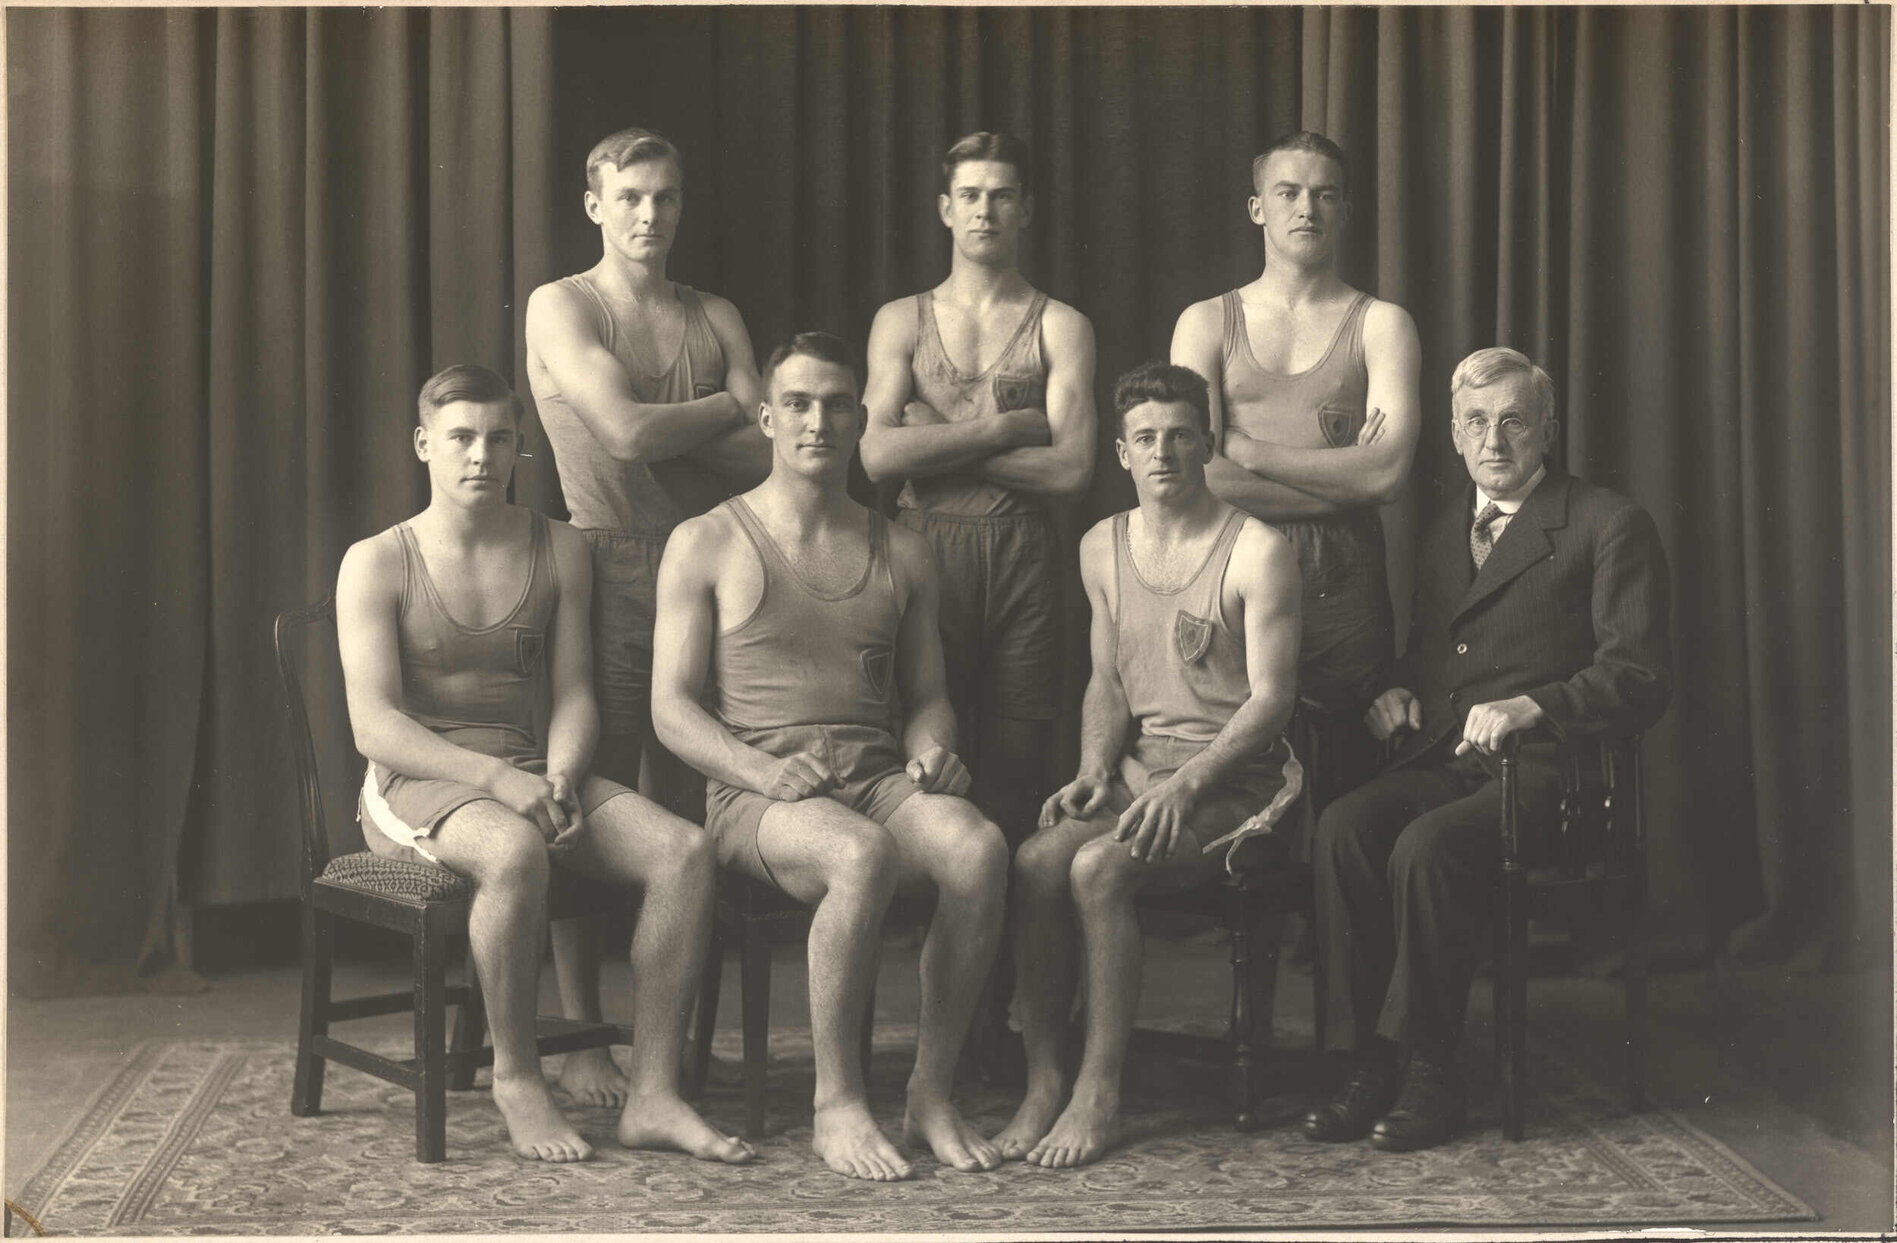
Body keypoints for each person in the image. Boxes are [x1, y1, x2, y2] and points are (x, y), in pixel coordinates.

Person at [335, 364, 752, 1166]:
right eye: (460, 437)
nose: (480, 455)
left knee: (683, 851)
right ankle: (518, 1077)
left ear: (518, 446)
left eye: (498, 438)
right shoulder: (376, 560)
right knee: (514, 849)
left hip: (528, 768)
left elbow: (573, 692)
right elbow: (374, 726)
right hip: (413, 784)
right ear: (423, 444)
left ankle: (654, 1090)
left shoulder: (558, 545)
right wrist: (498, 781)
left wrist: (561, 770)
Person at [651, 332, 1010, 1182]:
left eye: (838, 404)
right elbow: (670, 708)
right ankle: (837, 1103)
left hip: (874, 778)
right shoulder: (707, 540)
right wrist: (760, 773)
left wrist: (933, 750)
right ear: (767, 418)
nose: (819, 421)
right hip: (757, 794)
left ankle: (928, 1092)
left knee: (979, 847)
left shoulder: (902, 548)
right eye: (799, 404)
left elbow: (926, 696)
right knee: (859, 853)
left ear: (860, 418)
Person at [1305, 347, 1671, 1153]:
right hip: (1449, 761)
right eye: (1475, 423)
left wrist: (1535, 704)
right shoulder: (1446, 534)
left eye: (1512, 421)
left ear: (1547, 428)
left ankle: (1428, 1068)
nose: (1493, 441)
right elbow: (1433, 654)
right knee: (1342, 827)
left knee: (1426, 846)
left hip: (1555, 776)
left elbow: (1638, 675)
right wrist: (1395, 689)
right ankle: (1364, 1060)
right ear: (1452, 434)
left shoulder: (1607, 522)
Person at [994, 362, 1304, 1170]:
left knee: (1097, 869)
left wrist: (1188, 784)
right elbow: (1106, 680)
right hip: (1139, 767)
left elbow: (1271, 701)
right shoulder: (1100, 545)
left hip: (1238, 781)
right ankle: (1043, 1077)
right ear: (1121, 453)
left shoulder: (1258, 550)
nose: (1161, 452)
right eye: (1144, 438)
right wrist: (1095, 766)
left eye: (1178, 436)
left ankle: (1098, 1089)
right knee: (1035, 861)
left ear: (1206, 443)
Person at [525, 127, 770, 1103]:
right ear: (594, 205)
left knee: (684, 806)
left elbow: (771, 456)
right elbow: (623, 435)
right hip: (605, 563)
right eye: (629, 197)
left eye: (664, 197)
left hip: (709, 566)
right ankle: (583, 1038)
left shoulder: (716, 313)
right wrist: (725, 407)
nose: (648, 214)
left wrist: (693, 423)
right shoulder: (561, 304)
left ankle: (673, 1040)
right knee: (590, 795)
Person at [861, 130, 1097, 848]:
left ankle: (1008, 920)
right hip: (922, 549)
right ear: (945, 208)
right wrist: (1001, 430)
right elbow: (874, 455)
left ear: (1026, 209)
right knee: (924, 751)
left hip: (1024, 556)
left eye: (1001, 196)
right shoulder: (902, 319)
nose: (984, 211)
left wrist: (937, 440)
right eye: (969, 196)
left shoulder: (1061, 326)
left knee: (1017, 763)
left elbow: (1071, 471)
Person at [1170, 130, 1421, 799]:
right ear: (1257, 207)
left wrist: (1248, 450)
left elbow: (1387, 474)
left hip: (1343, 575)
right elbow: (1200, 476)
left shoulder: (1381, 324)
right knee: (1232, 768)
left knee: (1344, 774)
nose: (1306, 208)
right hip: (1231, 560)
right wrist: (1346, 478)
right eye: (1288, 192)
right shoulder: (1204, 322)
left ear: (1344, 211)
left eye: (1324, 194)